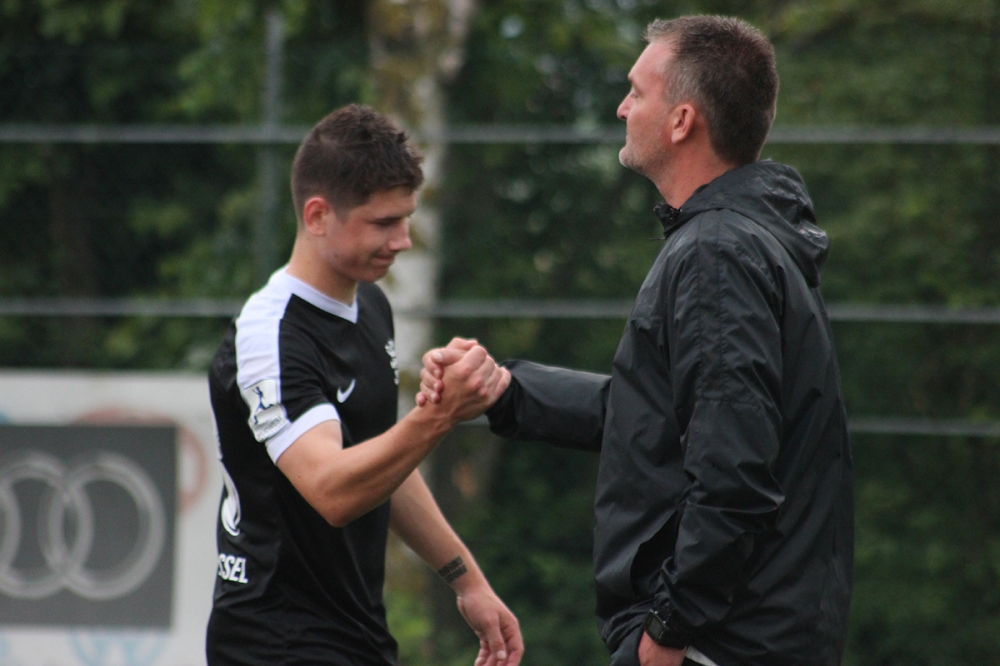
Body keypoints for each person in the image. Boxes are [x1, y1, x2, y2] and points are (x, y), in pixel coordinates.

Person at [419, 16, 852, 666]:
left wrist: (669, 629)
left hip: (715, 646)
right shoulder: (743, 241)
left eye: (636, 92)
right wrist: (507, 391)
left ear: (681, 121)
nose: (622, 108)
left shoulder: (717, 252)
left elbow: (732, 468)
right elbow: (660, 418)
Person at [206, 104, 522, 666]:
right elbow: (334, 491)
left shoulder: (371, 303)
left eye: (407, 219)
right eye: (383, 223)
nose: (403, 240)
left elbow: (383, 465)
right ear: (318, 215)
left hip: (357, 634)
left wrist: (467, 582)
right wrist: (438, 415)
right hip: (274, 641)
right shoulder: (270, 337)